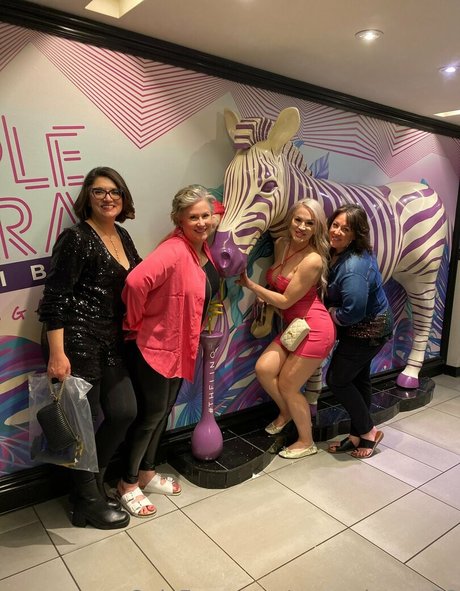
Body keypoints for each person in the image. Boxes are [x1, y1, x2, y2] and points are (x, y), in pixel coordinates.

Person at [38, 166, 141, 529]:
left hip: (109, 339)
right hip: (75, 339)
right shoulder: (76, 237)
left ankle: (90, 485)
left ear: (123, 197)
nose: (108, 198)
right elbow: (55, 297)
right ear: (88, 197)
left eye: (115, 191)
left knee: (124, 411)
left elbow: (139, 279)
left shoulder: (123, 235)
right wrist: (57, 354)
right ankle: (88, 501)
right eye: (99, 191)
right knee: (83, 423)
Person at [115, 185, 220, 517]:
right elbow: (135, 283)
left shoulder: (202, 249)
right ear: (179, 220)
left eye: (206, 215)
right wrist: (134, 324)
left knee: (162, 413)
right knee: (150, 416)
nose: (202, 222)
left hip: (179, 346)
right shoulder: (174, 249)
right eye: (193, 217)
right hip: (155, 347)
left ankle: (146, 472)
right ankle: (127, 482)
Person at [238, 199, 336, 459]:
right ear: (290, 219)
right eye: (298, 220)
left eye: (309, 223)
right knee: (264, 368)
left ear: (317, 228)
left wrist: (252, 286)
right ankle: (287, 412)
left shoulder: (313, 259)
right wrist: (266, 294)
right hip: (295, 327)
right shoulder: (281, 244)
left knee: (289, 385)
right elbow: (278, 285)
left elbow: (285, 300)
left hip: (315, 328)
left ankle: (306, 441)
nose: (302, 227)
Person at [326, 204, 393, 458]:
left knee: (337, 380)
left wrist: (332, 313)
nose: (337, 231)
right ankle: (358, 435)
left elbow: (353, 311)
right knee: (357, 379)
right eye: (335, 225)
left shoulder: (353, 267)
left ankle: (368, 431)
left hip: (368, 330)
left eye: (346, 229)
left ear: (356, 234)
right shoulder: (341, 251)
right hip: (367, 327)